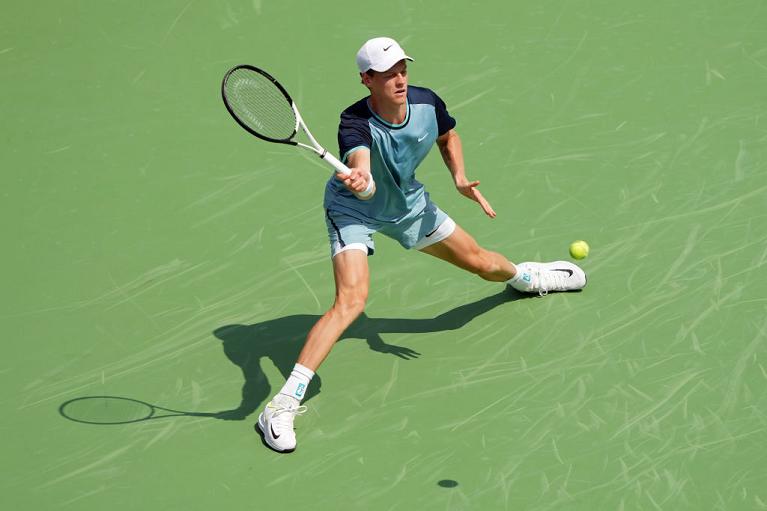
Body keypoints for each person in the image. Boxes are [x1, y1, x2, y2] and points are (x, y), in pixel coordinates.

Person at [256, 37, 586, 452]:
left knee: (484, 265)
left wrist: (460, 178)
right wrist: (363, 181)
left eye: (402, 70)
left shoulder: (427, 102)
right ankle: (281, 405)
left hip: (408, 206)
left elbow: (448, 137)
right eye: (387, 73)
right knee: (351, 301)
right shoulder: (354, 122)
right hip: (352, 211)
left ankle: (524, 276)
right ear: (366, 79)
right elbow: (361, 164)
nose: (398, 79)